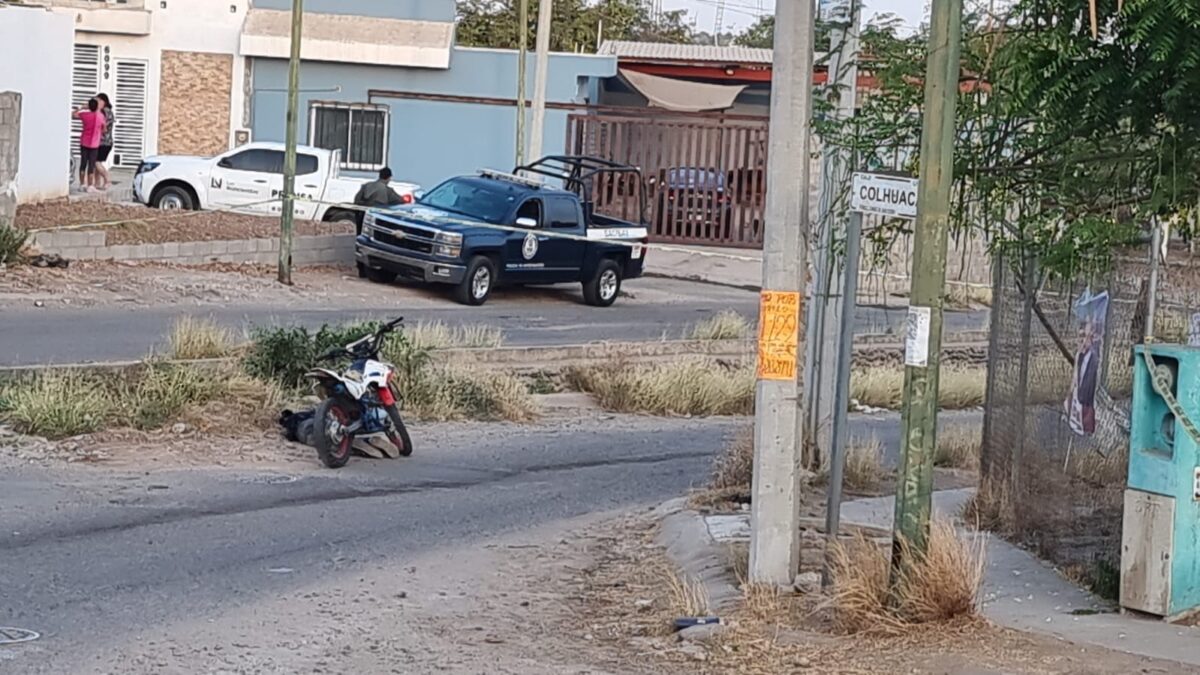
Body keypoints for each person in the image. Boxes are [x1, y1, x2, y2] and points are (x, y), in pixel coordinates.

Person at [72, 98, 105, 193]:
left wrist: (81, 107)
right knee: (91, 165)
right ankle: (90, 185)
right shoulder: (101, 116)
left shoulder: (85, 115)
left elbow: (73, 115)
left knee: (83, 163)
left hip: (84, 142)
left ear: (89, 106)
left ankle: (82, 184)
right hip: (94, 143)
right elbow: (104, 129)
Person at [94, 93, 115, 191]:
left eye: (98, 101)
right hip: (102, 141)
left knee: (96, 162)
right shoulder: (105, 112)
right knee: (97, 162)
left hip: (104, 142)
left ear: (104, 101)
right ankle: (97, 183)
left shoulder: (106, 112)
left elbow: (102, 126)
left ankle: (107, 180)